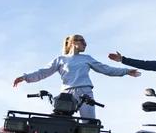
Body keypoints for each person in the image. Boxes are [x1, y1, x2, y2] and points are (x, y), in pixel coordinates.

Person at [13, 34, 141, 119]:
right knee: (61, 123)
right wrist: (25, 77)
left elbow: (105, 69)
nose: (85, 44)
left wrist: (126, 71)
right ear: (74, 42)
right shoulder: (61, 59)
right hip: (66, 95)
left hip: (85, 93)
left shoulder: (87, 58)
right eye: (83, 41)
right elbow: (43, 72)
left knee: (89, 124)